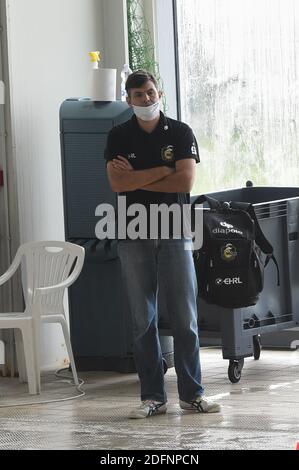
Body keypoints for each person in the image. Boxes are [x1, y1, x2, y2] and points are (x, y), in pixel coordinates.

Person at [104, 70, 221, 418]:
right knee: (143, 320)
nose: (146, 99)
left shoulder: (181, 132)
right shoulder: (119, 136)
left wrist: (138, 177)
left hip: (174, 228)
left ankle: (193, 394)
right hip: (133, 231)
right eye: (138, 95)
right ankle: (153, 396)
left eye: (151, 92)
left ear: (160, 94)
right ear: (129, 100)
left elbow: (184, 180)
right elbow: (116, 184)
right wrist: (162, 171)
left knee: (185, 316)